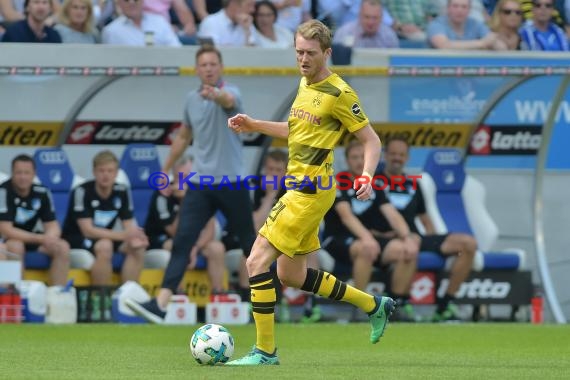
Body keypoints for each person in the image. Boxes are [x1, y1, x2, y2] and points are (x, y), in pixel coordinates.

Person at [225, 19, 394, 365]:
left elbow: (371, 140)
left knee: (256, 260)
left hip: (309, 192)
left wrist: (366, 175)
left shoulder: (340, 93)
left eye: (310, 54)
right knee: (290, 275)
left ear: (327, 53)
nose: (303, 59)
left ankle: (265, 351)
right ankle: (373, 304)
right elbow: (296, 130)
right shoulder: (304, 84)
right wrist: (255, 125)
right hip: (300, 189)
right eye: (299, 52)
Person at [126, 44, 257, 324]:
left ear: (220, 68)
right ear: (197, 70)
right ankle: (160, 304)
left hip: (232, 182)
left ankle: (270, 300)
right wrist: (165, 170)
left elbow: (229, 101)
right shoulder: (191, 100)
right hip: (200, 183)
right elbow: (184, 138)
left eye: (213, 64)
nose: (208, 68)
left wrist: (217, 94)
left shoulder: (233, 93)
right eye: (203, 65)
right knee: (182, 240)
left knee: (250, 244)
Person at [378, 137, 477, 321]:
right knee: (409, 247)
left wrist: (433, 243)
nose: (397, 158)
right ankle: (398, 304)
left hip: (415, 237)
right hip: (388, 239)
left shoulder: (413, 184)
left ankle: (445, 303)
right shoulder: (375, 182)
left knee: (468, 244)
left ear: (407, 158)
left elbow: (425, 219)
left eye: (401, 154)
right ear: (385, 155)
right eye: (393, 154)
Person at [323, 139, 419, 322]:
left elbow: (391, 213)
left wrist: (407, 237)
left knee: (407, 250)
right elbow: (346, 216)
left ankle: (393, 305)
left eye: (363, 157)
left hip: (368, 240)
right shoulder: (339, 181)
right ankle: (361, 307)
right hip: (337, 239)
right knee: (367, 248)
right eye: (355, 157)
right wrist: (368, 238)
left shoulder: (373, 183)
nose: (359, 161)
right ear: (347, 160)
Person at [62, 150, 149, 286]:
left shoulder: (122, 191)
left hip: (108, 236)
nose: (106, 175)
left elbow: (128, 226)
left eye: (110, 171)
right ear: (94, 172)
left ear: (116, 173)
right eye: (101, 171)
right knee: (105, 246)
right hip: (78, 238)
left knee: (137, 246)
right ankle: (101, 299)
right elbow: (88, 231)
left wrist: (135, 237)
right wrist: (124, 235)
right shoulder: (81, 191)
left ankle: (128, 295)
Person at [144, 155, 226, 293]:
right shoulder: (162, 194)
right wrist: (184, 201)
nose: (185, 182)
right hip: (163, 241)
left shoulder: (202, 192)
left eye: (189, 177)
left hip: (192, 242)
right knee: (176, 245)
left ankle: (218, 294)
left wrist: (194, 248)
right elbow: (176, 231)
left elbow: (210, 230)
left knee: (216, 248)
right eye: (181, 177)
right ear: (174, 175)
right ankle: (178, 294)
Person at [0, 154, 70, 286]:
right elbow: (5, 230)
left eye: (27, 173)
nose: (23, 177)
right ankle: (19, 294)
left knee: (62, 247)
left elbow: (53, 225)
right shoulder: (3, 191)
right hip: (8, 239)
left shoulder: (42, 192)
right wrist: (40, 238)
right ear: (12, 174)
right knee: (16, 246)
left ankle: (56, 295)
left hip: (32, 238)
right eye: (19, 173)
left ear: (34, 174)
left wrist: (50, 237)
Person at [101, 0, 182, 46]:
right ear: (118, 3)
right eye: (126, 0)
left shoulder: (160, 22)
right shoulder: (110, 31)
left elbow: (177, 50)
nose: (131, 2)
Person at [427, 0, 500, 50]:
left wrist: (495, 43)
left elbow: (496, 43)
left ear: (469, 10)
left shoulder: (475, 24)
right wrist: (482, 43)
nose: (459, 10)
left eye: (464, 7)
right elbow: (444, 45)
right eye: (455, 6)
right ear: (448, 8)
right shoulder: (437, 24)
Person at [332, 0, 399, 48]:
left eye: (375, 18)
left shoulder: (389, 36)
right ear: (359, 16)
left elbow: (394, 64)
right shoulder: (344, 33)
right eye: (367, 17)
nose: (370, 22)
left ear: (381, 18)